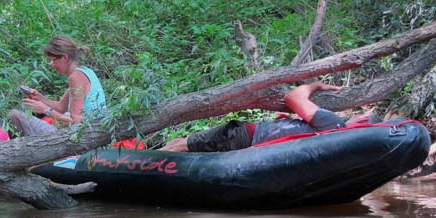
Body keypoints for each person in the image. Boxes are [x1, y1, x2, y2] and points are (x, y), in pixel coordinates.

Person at [160, 81, 381, 152]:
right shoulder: (337, 144)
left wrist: (315, 85)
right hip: (250, 145)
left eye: (361, 114)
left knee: (181, 144)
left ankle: (136, 163)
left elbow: (292, 97)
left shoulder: (336, 125)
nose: (356, 114)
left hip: (243, 136)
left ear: (361, 121)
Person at [10, 35, 106, 137]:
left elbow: (77, 122)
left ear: (64, 57)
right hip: (91, 131)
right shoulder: (85, 72)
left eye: (52, 61)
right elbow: (60, 107)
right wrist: (39, 98)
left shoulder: (76, 78)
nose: (51, 65)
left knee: (15, 115)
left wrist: (45, 110)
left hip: (84, 135)